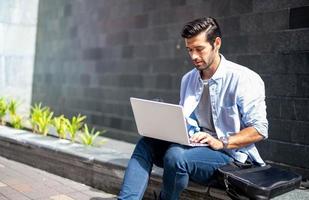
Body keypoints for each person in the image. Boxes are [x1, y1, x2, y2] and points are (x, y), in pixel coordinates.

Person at [118, 17, 268, 200]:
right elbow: (187, 121)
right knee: (146, 142)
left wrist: (221, 141)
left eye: (199, 49)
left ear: (217, 43)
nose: (194, 56)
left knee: (175, 156)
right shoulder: (188, 79)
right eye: (190, 50)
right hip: (195, 147)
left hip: (230, 157)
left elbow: (259, 130)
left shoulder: (244, 79)